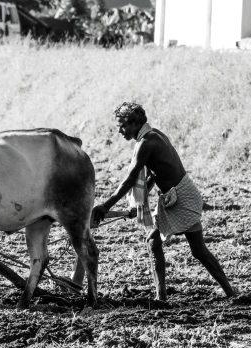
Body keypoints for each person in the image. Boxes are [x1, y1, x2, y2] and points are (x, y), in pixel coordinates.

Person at [92, 102, 235, 301]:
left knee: (198, 250)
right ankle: (161, 298)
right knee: (153, 241)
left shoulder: (147, 143)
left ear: (134, 123)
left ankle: (231, 293)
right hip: (171, 198)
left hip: (182, 197)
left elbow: (131, 179)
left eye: (122, 125)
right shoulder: (151, 135)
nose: (119, 130)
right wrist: (138, 204)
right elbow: (152, 176)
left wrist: (105, 205)